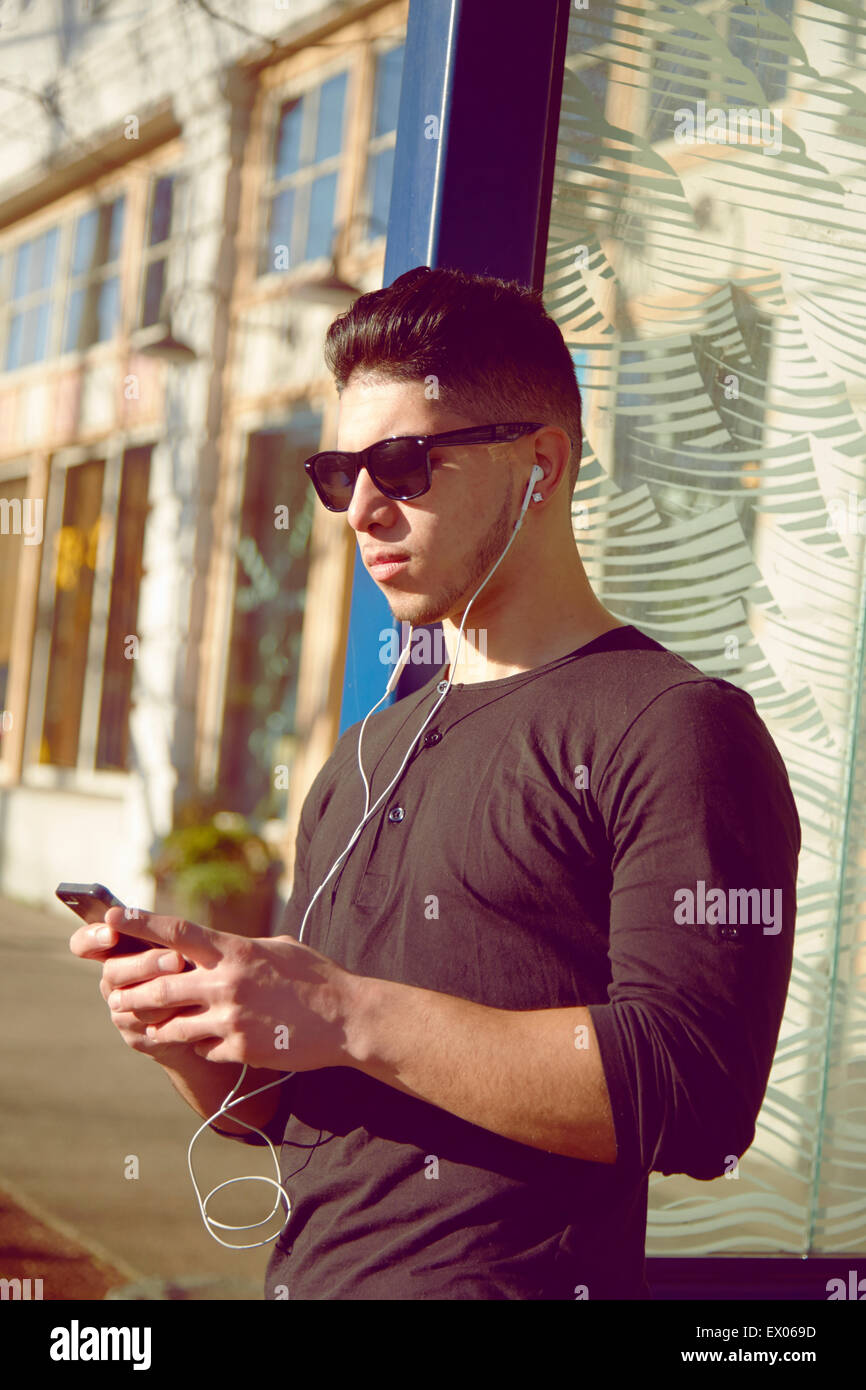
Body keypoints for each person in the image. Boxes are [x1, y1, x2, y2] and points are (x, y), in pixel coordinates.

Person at [70, 266, 801, 1300]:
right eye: (337, 473)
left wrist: (337, 1007)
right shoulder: (361, 756)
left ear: (539, 465)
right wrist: (200, 1032)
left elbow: (691, 1095)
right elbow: (289, 1109)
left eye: (403, 463)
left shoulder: (674, 726)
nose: (360, 508)